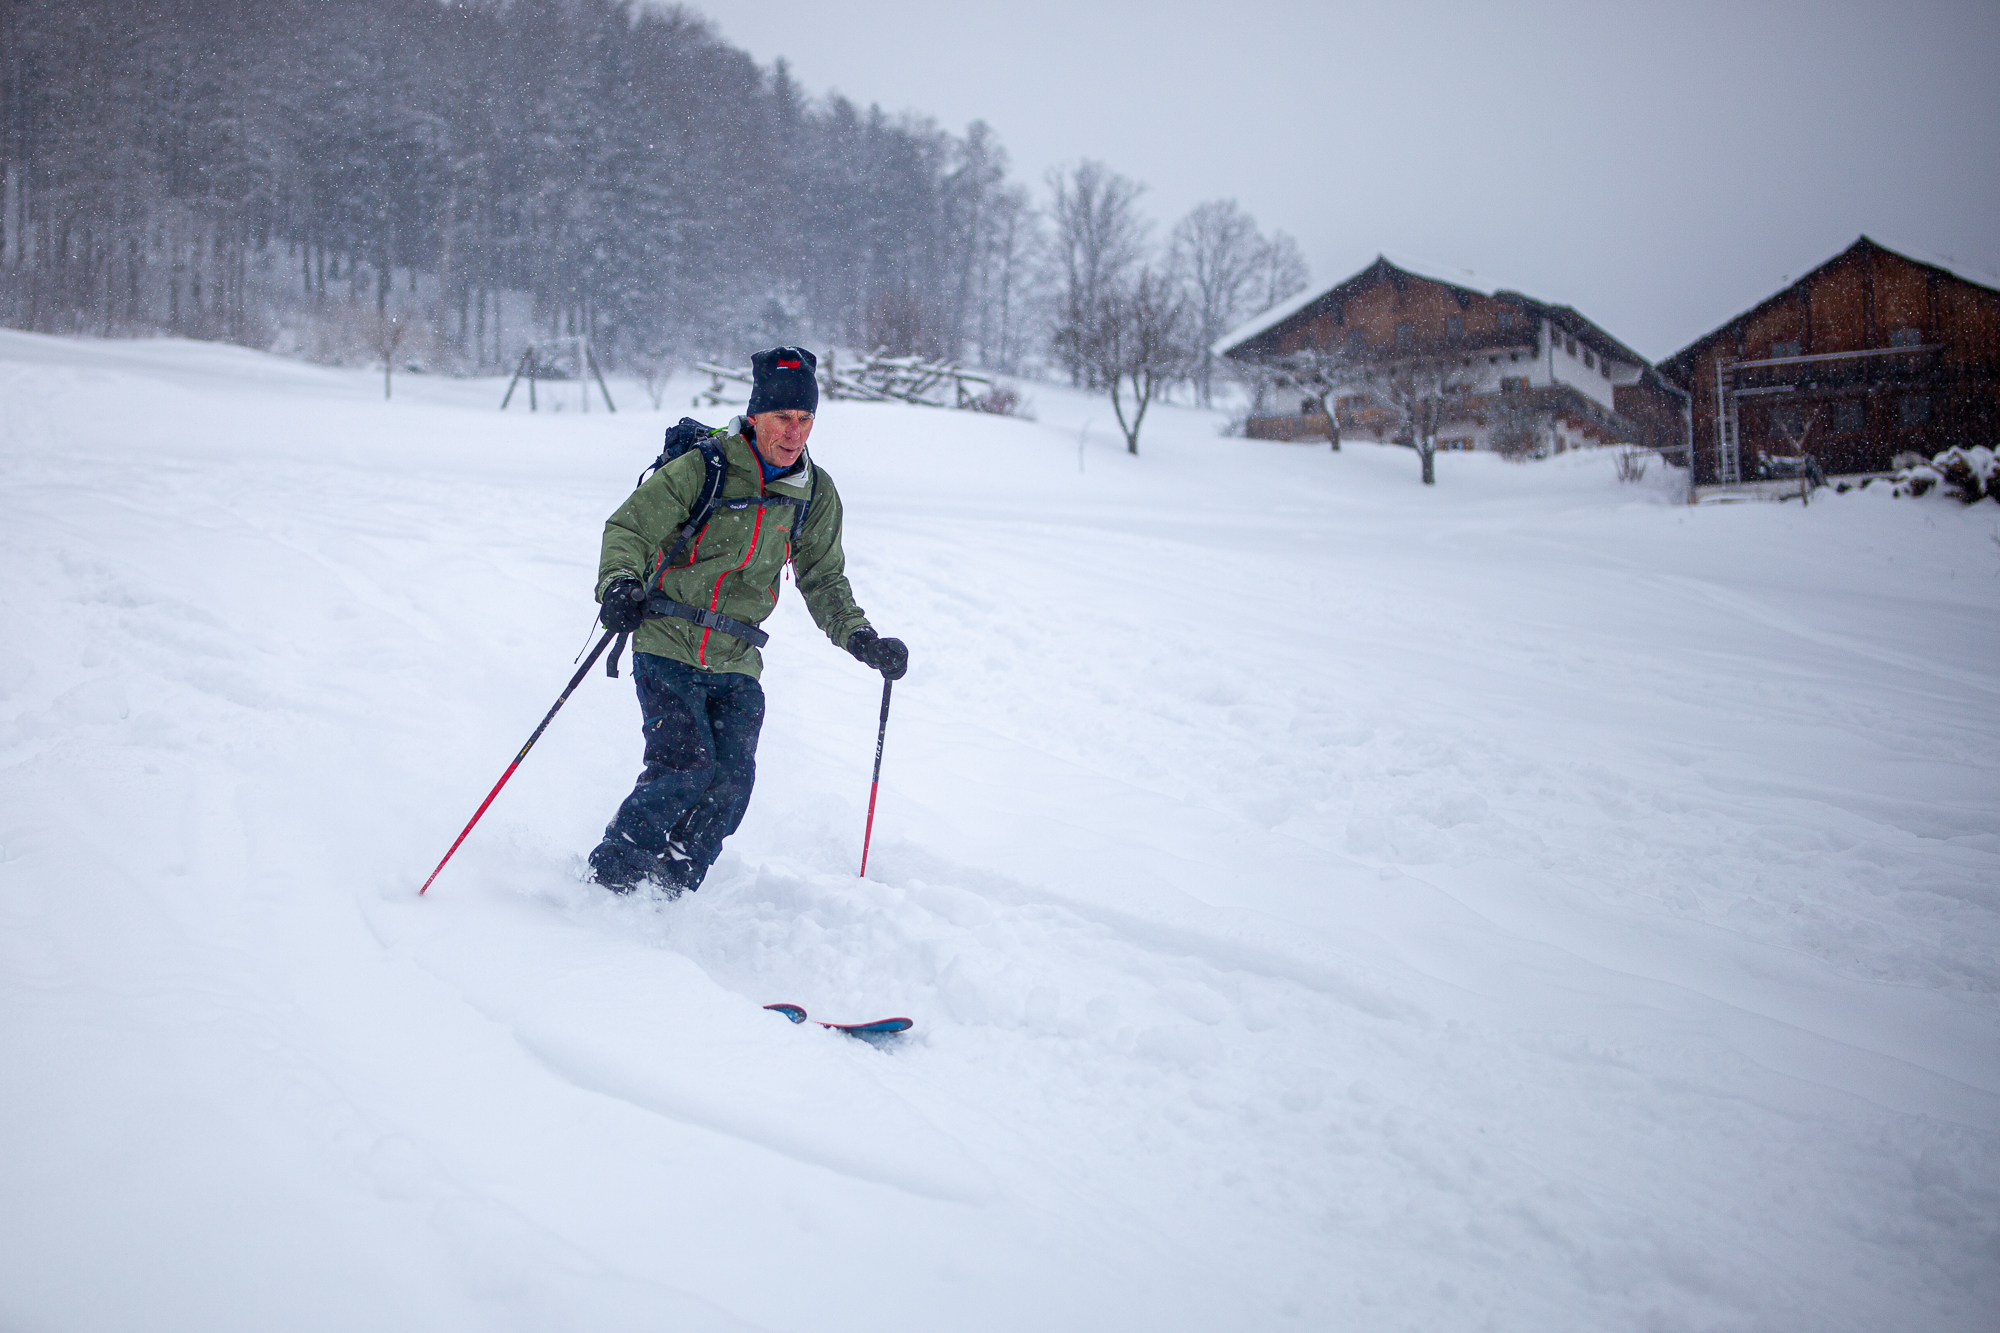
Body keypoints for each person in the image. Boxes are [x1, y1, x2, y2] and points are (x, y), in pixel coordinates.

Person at [587, 346, 908, 895]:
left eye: (806, 419)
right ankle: (611, 880)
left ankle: (669, 889)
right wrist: (619, 584)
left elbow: (823, 578)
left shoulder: (814, 492)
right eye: (784, 417)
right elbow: (630, 528)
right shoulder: (706, 467)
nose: (795, 432)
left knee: (731, 785)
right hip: (668, 638)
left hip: (738, 658)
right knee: (684, 768)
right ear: (756, 415)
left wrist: (861, 638)